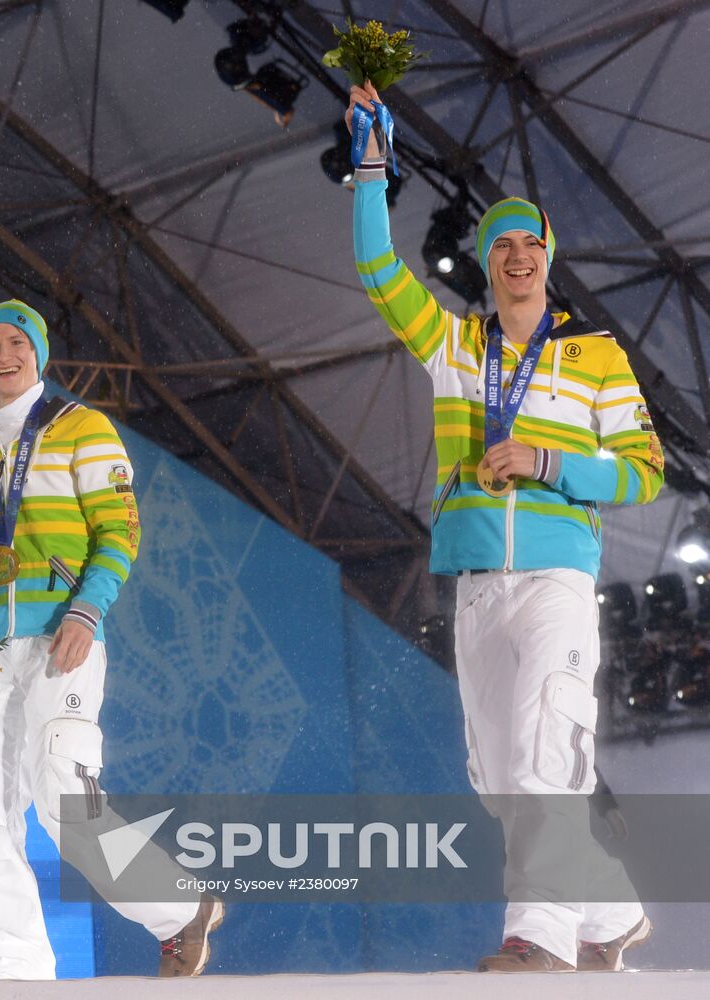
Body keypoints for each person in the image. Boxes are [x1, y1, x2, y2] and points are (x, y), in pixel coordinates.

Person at [347, 82, 662, 972]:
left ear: (548, 260)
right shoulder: (452, 347)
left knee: (538, 761)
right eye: (502, 244)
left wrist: (551, 462)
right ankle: (609, 916)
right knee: (498, 783)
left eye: (532, 243)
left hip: (558, 581)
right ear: (483, 262)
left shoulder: (596, 358)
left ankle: (540, 939)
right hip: (480, 585)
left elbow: (643, 470)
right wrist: (374, 168)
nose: (518, 255)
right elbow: (378, 271)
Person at [0, 299, 222, 980]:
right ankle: (17, 964)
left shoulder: (81, 428)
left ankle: (178, 910)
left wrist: (86, 611)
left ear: (39, 352)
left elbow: (119, 530)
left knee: (64, 797)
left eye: (16, 343)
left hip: (63, 636)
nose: (3, 357)